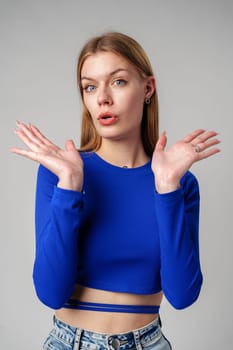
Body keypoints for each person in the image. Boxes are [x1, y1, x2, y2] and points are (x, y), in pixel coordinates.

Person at [11, 32, 220, 350]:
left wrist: (166, 190)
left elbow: (182, 295)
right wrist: (69, 184)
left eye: (118, 82)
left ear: (148, 88)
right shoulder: (60, 173)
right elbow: (50, 292)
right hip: (69, 342)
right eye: (90, 86)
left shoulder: (180, 183)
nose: (102, 98)